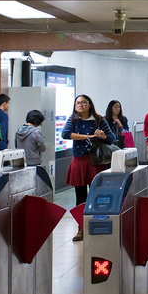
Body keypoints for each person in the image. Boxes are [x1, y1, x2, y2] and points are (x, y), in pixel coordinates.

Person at [62, 94, 114, 241]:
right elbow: (65, 134)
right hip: (78, 161)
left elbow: (111, 138)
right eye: (77, 103)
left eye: (84, 102)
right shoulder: (73, 120)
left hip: (95, 161)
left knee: (97, 196)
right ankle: (81, 228)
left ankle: (99, 226)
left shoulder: (99, 120)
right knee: (80, 197)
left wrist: (102, 135)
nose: (80, 105)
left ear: (90, 105)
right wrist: (87, 137)